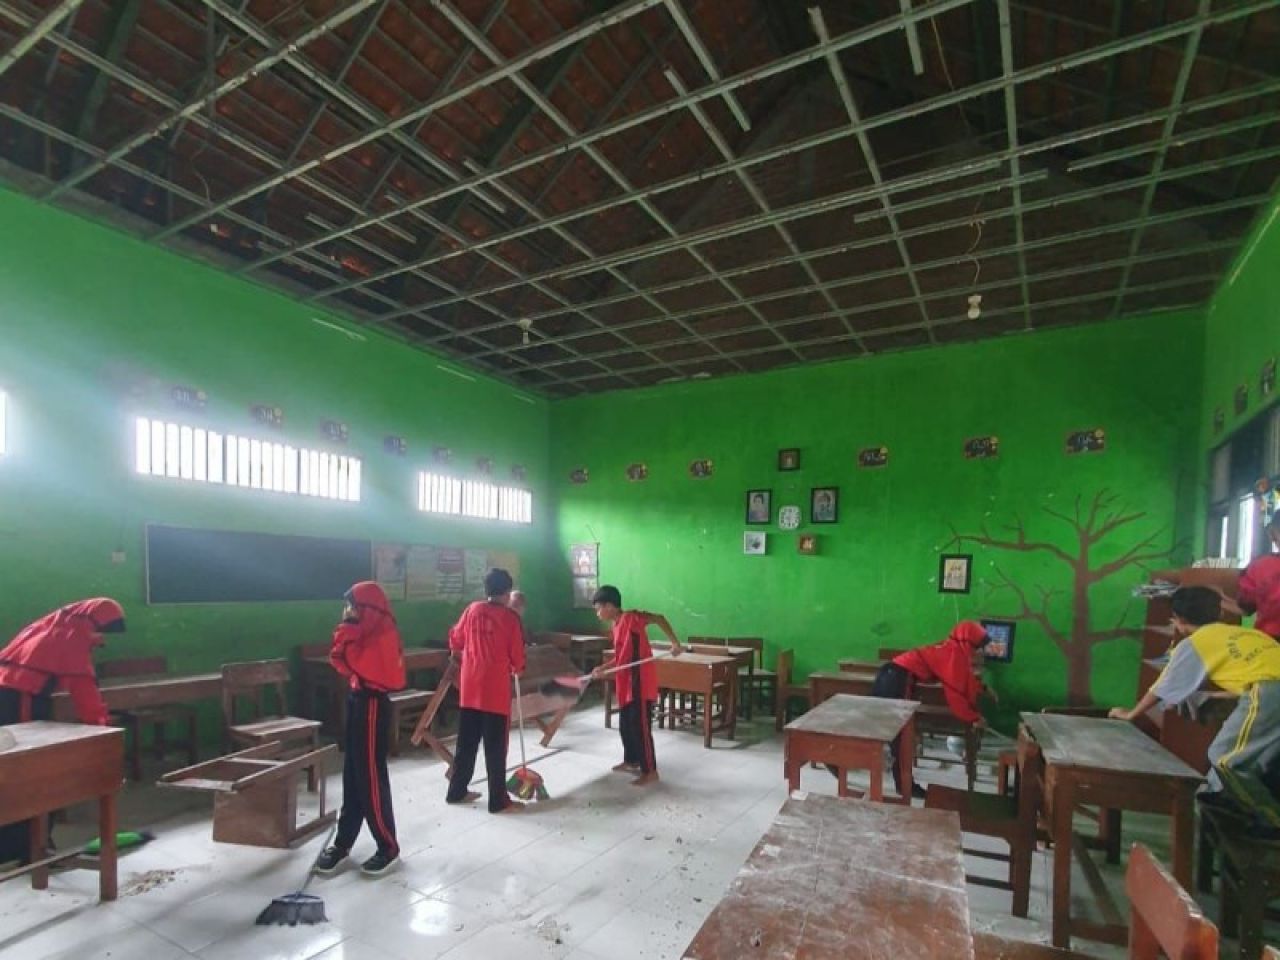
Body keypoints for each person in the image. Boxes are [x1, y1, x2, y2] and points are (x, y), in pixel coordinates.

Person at [1109, 585, 1280, 830]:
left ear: (1178, 620)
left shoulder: (1195, 643)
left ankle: (1271, 820)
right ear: (1220, 613)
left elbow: (1163, 687)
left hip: (1269, 694)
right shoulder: (1247, 634)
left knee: (1224, 761)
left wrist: (1131, 714)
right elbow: (1259, 671)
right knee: (1262, 764)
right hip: (1269, 691)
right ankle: (1225, 818)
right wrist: (1221, 694)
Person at [0, 598, 123, 866]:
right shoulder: (72, 639)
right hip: (21, 700)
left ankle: (29, 845)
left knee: (14, 774)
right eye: (101, 630)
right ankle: (29, 848)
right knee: (35, 773)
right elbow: (85, 692)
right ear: (93, 622)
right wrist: (102, 734)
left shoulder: (48, 626)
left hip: (11, 698)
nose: (100, 637)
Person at [316, 582, 405, 877]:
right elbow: (339, 659)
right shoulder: (365, 629)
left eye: (354, 606)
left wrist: (348, 628)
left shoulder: (383, 633)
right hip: (357, 700)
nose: (349, 611)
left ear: (368, 608)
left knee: (369, 778)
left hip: (373, 705)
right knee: (352, 776)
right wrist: (350, 628)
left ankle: (388, 847)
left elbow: (349, 658)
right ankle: (343, 843)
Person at [872, 621, 991, 798]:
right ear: (968, 643)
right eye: (977, 647)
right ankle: (905, 786)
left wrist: (984, 689)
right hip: (898, 679)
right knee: (901, 736)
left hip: (888, 673)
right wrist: (974, 718)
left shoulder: (952, 647)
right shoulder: (955, 655)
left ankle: (896, 781)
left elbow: (965, 680)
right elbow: (956, 695)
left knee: (881, 729)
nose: (979, 652)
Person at [445, 568, 526, 814]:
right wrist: (518, 668)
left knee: (466, 743)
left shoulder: (472, 610)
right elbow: (517, 657)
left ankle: (456, 791)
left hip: (469, 688)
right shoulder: (510, 618)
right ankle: (498, 800)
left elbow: (455, 639)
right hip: (494, 692)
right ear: (507, 592)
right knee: (495, 747)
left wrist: (464, 656)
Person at [591, 585, 683, 785]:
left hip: (640, 682)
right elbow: (620, 658)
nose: (597, 613)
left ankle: (650, 771)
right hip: (626, 683)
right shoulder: (615, 626)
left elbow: (659, 618)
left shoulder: (632, 618)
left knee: (640, 727)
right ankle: (631, 760)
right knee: (626, 725)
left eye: (598, 609)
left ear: (610, 606)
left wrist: (675, 643)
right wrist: (603, 668)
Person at [1238, 519, 1280, 639]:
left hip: (1268, 641)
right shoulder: (1259, 567)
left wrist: (1220, 600)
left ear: (1272, 534)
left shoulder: (1259, 567)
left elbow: (1246, 608)